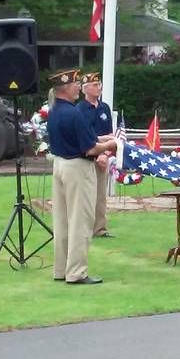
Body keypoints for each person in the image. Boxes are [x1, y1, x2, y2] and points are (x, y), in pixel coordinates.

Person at [47, 69, 117, 285]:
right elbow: (90, 148)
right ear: (66, 88)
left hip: (60, 165)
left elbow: (78, 139)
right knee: (80, 221)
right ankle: (77, 272)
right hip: (78, 168)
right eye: (77, 84)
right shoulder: (74, 113)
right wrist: (112, 144)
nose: (79, 86)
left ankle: (61, 269)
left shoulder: (55, 111)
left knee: (62, 221)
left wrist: (100, 139)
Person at [76, 72, 115, 238]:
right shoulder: (79, 109)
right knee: (85, 195)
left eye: (99, 84)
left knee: (100, 195)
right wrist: (99, 146)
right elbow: (86, 135)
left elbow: (110, 134)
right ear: (85, 89)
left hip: (103, 156)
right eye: (94, 85)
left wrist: (105, 153)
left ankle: (100, 228)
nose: (98, 87)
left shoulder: (104, 107)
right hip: (86, 158)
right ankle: (84, 228)